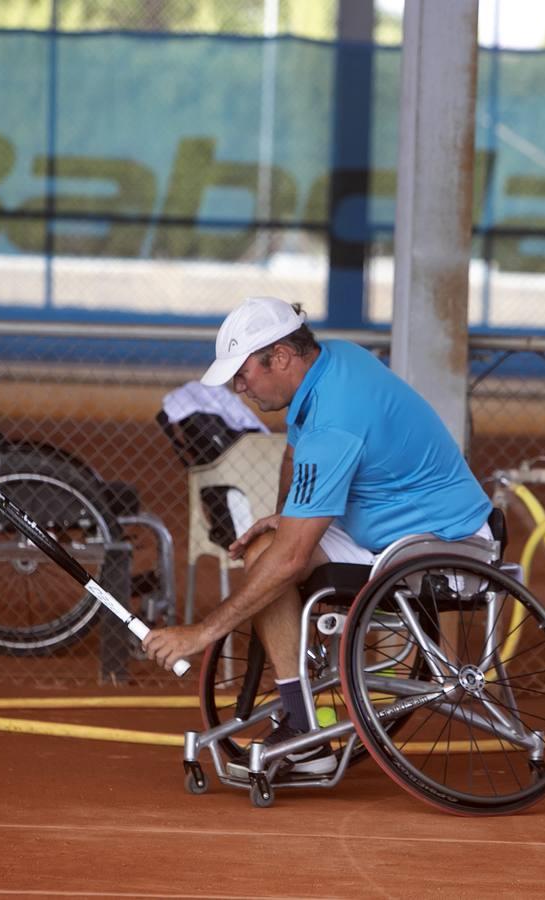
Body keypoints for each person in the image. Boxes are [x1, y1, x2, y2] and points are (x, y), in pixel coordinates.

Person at [142, 295, 493, 774]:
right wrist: (287, 517)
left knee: (277, 559)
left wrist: (201, 634)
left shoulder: (335, 418)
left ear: (281, 357)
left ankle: (302, 727)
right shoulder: (333, 361)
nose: (239, 388)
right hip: (391, 531)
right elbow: (293, 455)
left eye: (243, 374)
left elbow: (290, 561)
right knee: (267, 548)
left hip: (443, 546)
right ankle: (303, 725)